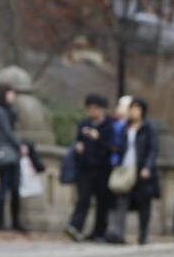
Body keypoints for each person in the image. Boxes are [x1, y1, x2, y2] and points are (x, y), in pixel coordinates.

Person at [105, 97, 160, 245]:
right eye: (131, 108)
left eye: (136, 108)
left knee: (143, 204)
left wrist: (147, 167)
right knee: (121, 199)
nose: (133, 111)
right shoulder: (125, 128)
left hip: (141, 169)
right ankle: (118, 232)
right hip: (125, 168)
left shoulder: (149, 128)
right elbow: (120, 147)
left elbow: (153, 150)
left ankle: (143, 234)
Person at [64, 94, 116, 241]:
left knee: (102, 202)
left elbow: (112, 147)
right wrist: (78, 146)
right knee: (83, 199)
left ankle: (99, 232)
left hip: (103, 168)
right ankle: (75, 226)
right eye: (90, 108)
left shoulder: (109, 126)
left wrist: (97, 138)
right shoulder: (84, 124)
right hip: (86, 167)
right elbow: (78, 140)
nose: (92, 111)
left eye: (95, 108)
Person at [0, 84, 27, 232]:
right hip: (5, 154)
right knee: (4, 188)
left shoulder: (8, 111)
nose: (13, 96)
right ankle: (1, 223)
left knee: (15, 189)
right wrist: (19, 146)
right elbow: (7, 132)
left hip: (11, 154)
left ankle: (15, 222)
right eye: (10, 93)